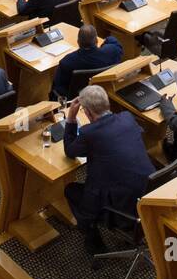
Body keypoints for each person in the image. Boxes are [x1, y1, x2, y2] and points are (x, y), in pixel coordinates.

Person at [62, 84, 155, 257]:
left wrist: (71, 119)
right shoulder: (127, 118)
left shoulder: (90, 133)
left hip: (122, 209)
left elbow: (70, 151)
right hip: (149, 195)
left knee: (71, 190)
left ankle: (93, 238)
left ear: (88, 113)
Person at [52, 24, 123, 99]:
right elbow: (113, 40)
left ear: (78, 42)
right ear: (96, 40)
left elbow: (58, 87)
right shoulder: (112, 52)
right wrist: (105, 43)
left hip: (78, 99)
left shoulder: (67, 61)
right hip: (105, 93)